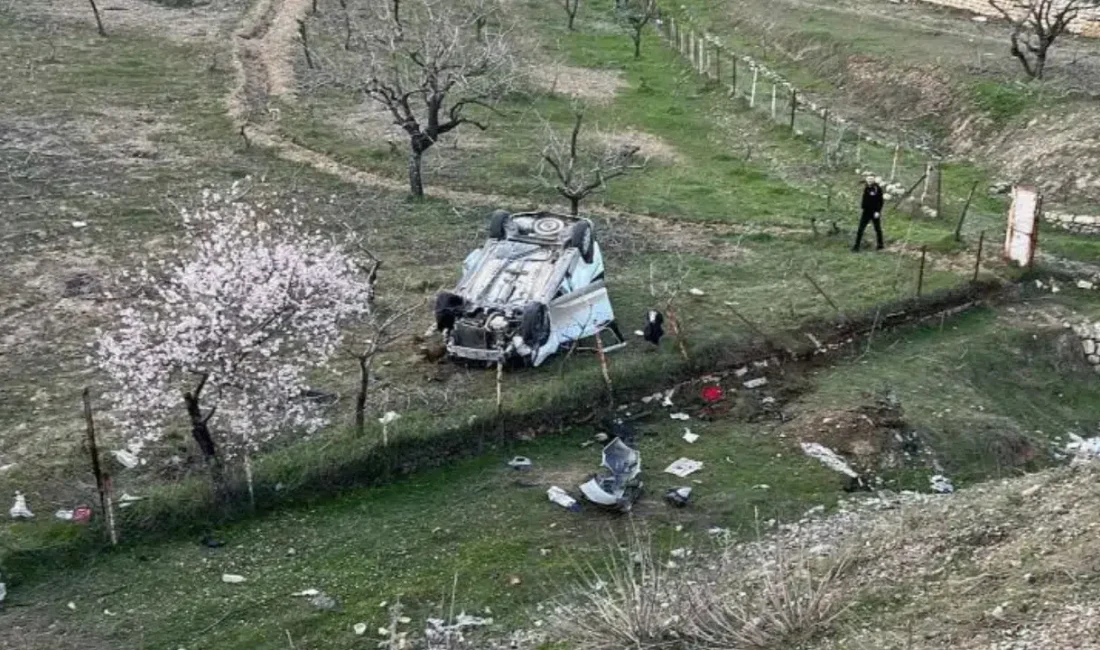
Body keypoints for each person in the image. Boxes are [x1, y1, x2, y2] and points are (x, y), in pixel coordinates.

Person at [853, 173, 885, 251]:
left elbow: (880, 201)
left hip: (874, 212)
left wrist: (877, 211)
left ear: (874, 179)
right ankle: (856, 246)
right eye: (868, 179)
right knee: (860, 229)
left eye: (871, 179)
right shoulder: (866, 187)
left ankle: (880, 245)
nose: (870, 180)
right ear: (866, 179)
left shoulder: (877, 188)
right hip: (866, 212)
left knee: (877, 228)